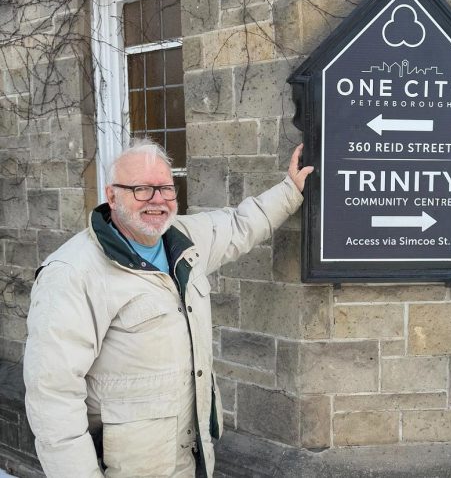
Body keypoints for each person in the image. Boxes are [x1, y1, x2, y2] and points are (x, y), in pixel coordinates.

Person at [23, 138, 313, 477]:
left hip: (190, 458)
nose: (157, 200)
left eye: (165, 188)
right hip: (129, 468)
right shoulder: (72, 273)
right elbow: (53, 397)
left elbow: (238, 225)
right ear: (112, 195)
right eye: (142, 189)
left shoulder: (183, 238)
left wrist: (290, 189)